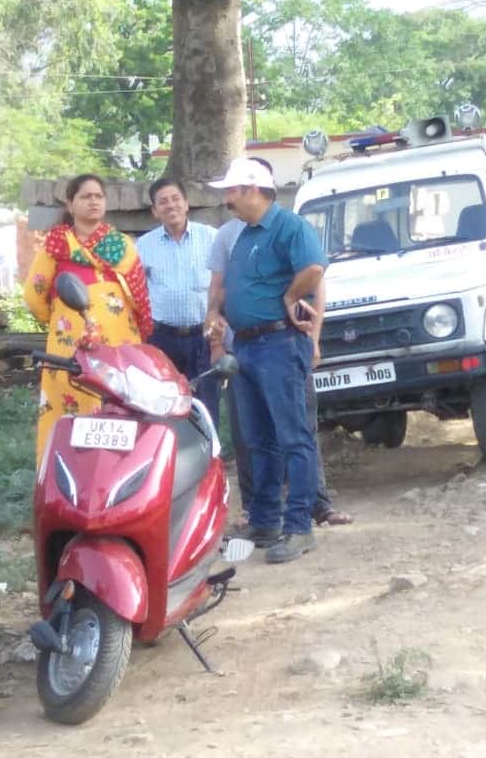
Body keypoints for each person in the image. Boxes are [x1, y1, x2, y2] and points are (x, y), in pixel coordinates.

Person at [207, 166, 351, 528]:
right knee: (258, 439)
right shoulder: (244, 235)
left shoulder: (290, 227)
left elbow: (314, 270)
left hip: (279, 343)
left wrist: (289, 296)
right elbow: (232, 286)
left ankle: (300, 524)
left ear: (254, 189)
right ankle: (266, 520)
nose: (227, 200)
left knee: (293, 437)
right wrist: (218, 314)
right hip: (246, 345)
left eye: (232, 191)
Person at [23, 174, 153, 463]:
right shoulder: (55, 246)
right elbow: (34, 296)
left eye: (98, 196)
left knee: (119, 413)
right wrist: (62, 319)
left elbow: (139, 298)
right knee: (70, 414)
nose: (93, 201)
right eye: (85, 196)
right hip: (69, 349)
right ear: (70, 205)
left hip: (119, 348)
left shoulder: (122, 246)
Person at [136, 178, 220, 428]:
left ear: (186, 203)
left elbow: (223, 284)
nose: (170, 205)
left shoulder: (211, 238)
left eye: (175, 199)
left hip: (203, 336)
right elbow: (137, 290)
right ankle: (171, 457)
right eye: (163, 201)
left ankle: (208, 457)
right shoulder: (144, 245)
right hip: (162, 338)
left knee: (205, 403)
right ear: (154, 210)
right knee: (165, 403)